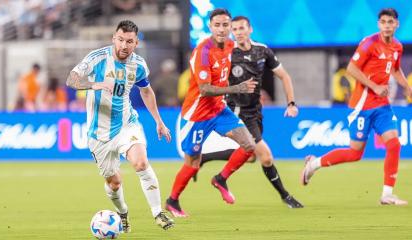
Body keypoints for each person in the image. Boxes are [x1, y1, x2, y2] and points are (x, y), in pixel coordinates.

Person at [66, 20, 174, 232]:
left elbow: (146, 91)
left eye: (130, 41)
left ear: (136, 43)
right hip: (99, 134)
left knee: (141, 164)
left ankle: (157, 213)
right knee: (114, 183)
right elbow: (72, 79)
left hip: (127, 125)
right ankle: (123, 213)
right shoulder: (97, 58)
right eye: (121, 40)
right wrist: (94, 84)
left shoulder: (139, 65)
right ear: (113, 38)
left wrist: (158, 121)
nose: (124, 45)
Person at [301, 8, 412, 205]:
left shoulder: (397, 47)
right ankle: (314, 164)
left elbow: (395, 69)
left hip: (382, 106)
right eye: (383, 22)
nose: (387, 25)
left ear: (397, 25)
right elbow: (352, 68)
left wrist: (407, 87)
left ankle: (387, 194)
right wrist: (375, 86)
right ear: (379, 25)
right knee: (355, 153)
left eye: (391, 22)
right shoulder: (369, 43)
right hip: (362, 106)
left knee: (394, 144)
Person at [195, 16, 303, 208]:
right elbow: (212, 79)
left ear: (250, 29)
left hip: (255, 111)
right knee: (265, 156)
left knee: (251, 156)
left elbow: (284, 76)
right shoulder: (228, 52)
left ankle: (206, 159)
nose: (238, 32)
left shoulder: (262, 51)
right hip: (236, 111)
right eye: (234, 29)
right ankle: (284, 196)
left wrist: (291, 103)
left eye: (242, 28)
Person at [165, 8, 258, 217]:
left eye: (226, 25)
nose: (222, 29)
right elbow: (205, 89)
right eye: (217, 25)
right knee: (193, 163)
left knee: (249, 146)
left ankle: (221, 178)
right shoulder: (203, 52)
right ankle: (172, 201)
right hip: (197, 114)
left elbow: (245, 51)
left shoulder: (231, 45)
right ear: (210, 26)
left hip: (219, 109)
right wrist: (238, 88)